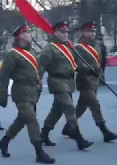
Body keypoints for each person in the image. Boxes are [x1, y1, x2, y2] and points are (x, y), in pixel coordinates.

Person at [0, 23, 55, 164]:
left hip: (32, 91)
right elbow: (3, 77)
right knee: (32, 120)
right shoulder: (13, 55)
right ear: (21, 36)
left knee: (22, 120)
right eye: (28, 33)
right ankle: (39, 152)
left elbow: (36, 70)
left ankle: (4, 141)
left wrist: (38, 85)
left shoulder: (32, 51)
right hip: (21, 92)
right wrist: (3, 97)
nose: (30, 35)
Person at [38, 20, 93, 150]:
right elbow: (40, 67)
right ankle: (78, 137)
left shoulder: (68, 46)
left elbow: (76, 64)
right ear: (55, 33)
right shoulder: (49, 49)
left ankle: (44, 133)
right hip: (57, 81)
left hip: (68, 82)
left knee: (56, 110)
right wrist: (37, 82)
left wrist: (90, 70)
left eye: (66, 32)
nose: (65, 34)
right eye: (62, 32)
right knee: (69, 108)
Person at [68, 21, 117, 143]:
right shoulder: (78, 48)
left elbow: (100, 63)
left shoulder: (97, 45)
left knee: (81, 107)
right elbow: (76, 65)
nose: (92, 33)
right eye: (89, 31)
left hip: (95, 79)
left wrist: (101, 75)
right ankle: (105, 131)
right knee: (94, 104)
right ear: (83, 32)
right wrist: (89, 69)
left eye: (93, 31)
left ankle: (68, 127)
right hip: (84, 80)